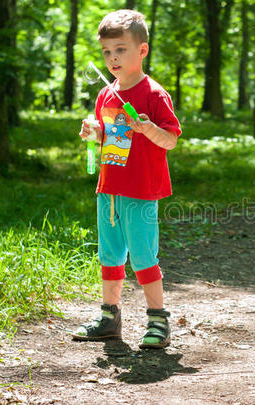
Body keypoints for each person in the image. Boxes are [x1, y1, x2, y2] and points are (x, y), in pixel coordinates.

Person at [73, 9, 181, 348]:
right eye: (107, 52)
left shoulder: (153, 94)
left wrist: (148, 127)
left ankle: (158, 321)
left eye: (121, 49)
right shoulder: (106, 94)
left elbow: (171, 139)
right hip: (109, 189)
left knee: (144, 257)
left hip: (141, 190)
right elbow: (106, 137)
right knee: (110, 255)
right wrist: (92, 132)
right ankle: (109, 317)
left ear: (142, 51)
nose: (112, 58)